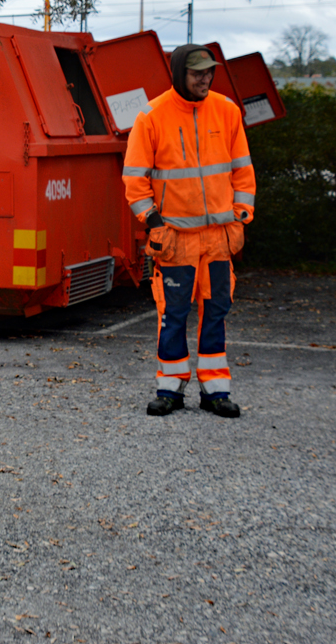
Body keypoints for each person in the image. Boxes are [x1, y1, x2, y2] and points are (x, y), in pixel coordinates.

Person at [122, 45, 255, 419]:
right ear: (179, 73)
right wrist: (152, 221)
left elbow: (243, 170)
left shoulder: (227, 111)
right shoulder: (152, 116)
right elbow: (134, 179)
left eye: (209, 72)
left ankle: (215, 391)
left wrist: (241, 215)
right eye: (197, 73)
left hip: (218, 238)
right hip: (176, 239)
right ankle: (170, 389)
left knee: (216, 313)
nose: (205, 78)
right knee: (173, 315)